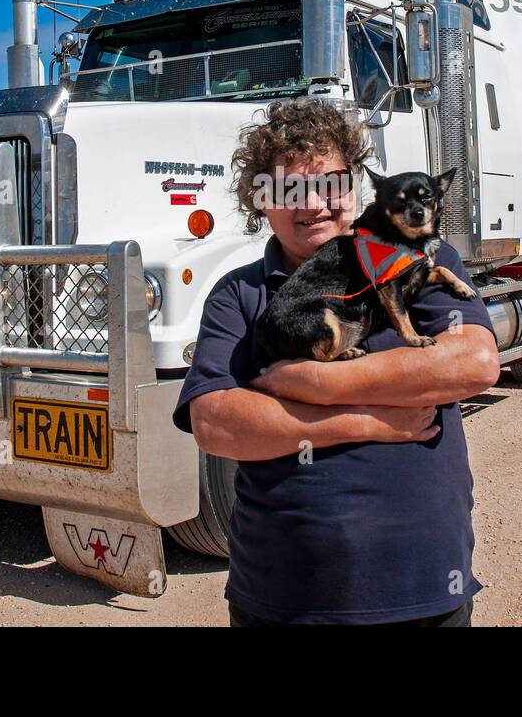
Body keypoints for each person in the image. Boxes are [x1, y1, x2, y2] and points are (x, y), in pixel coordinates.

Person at [172, 98, 501, 626]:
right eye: (288, 188)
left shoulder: (419, 261)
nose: (314, 205)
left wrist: (314, 382)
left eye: (330, 184)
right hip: (284, 600)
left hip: (423, 589)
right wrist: (367, 421)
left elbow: (474, 363)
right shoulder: (239, 295)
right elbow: (214, 424)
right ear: (261, 200)